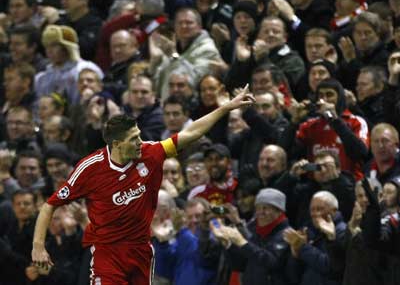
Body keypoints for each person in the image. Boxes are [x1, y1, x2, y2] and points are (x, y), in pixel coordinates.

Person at [31, 87, 255, 285]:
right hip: (107, 254)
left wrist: (226, 108)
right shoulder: (91, 168)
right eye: (133, 139)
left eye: (139, 135)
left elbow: (191, 132)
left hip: (141, 252)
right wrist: (38, 247)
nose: (141, 142)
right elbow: (49, 206)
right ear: (117, 145)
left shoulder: (150, 153)